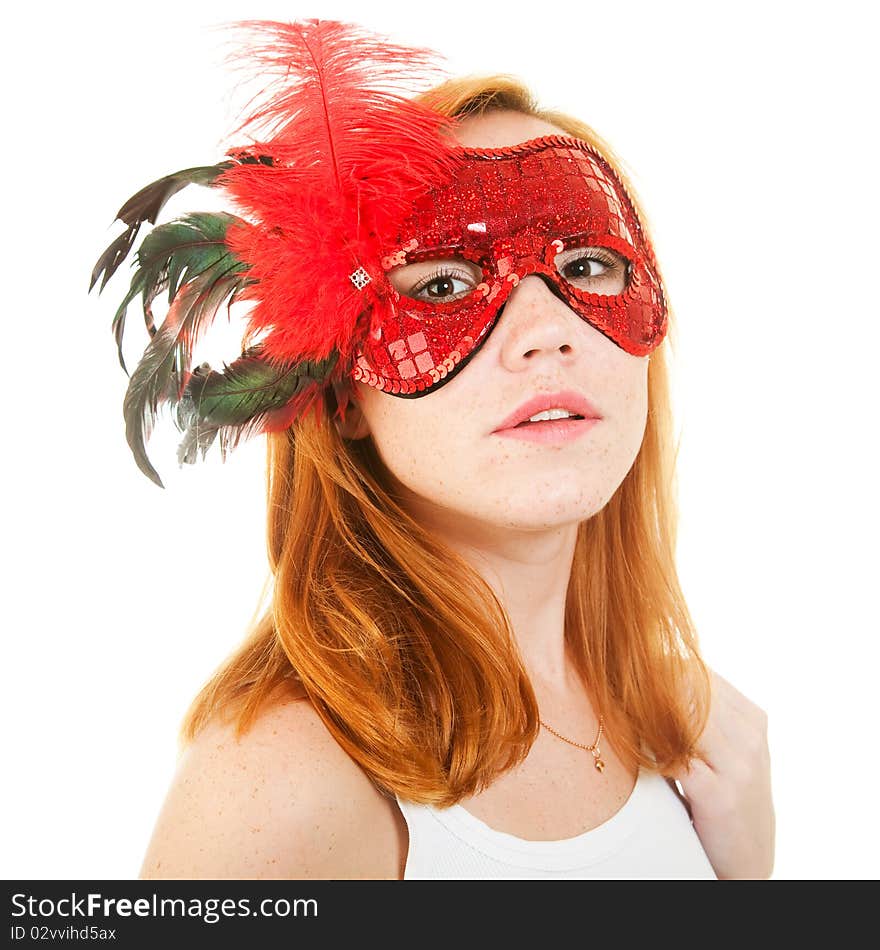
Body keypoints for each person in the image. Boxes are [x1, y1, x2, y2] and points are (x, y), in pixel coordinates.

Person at [91, 19, 774, 880]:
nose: (547, 332)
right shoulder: (285, 783)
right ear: (342, 398)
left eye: (591, 264)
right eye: (444, 284)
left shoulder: (677, 728)